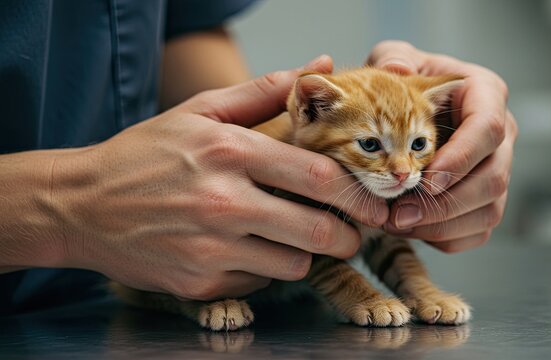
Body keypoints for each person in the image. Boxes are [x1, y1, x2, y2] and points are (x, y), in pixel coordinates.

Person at [0, 1, 517, 315]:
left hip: (98, 314)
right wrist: (68, 207)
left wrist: (231, 170)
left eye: (416, 148)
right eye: (373, 146)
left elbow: (183, 24)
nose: (403, 169)